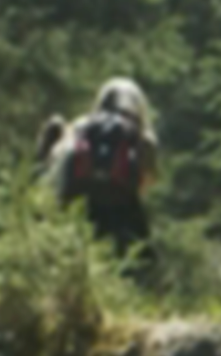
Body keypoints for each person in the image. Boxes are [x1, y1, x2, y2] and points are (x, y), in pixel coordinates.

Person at [51, 77, 159, 256]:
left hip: (77, 200)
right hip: (120, 209)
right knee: (144, 257)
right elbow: (147, 181)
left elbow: (59, 160)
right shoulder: (142, 137)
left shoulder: (81, 126)